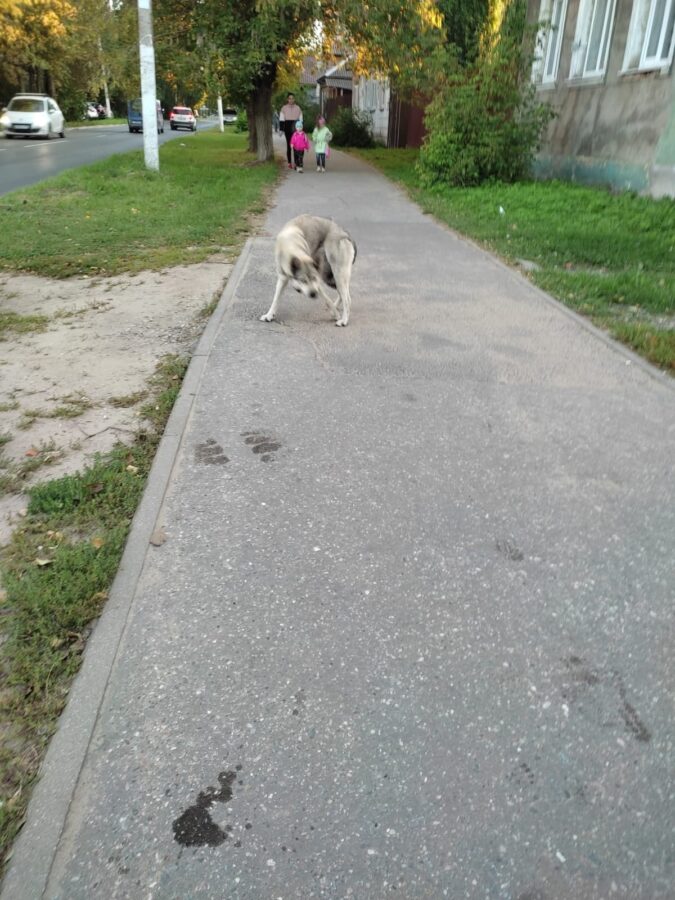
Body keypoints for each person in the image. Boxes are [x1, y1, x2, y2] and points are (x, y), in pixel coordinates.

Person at [280, 92, 302, 169]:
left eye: (292, 98)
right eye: (290, 98)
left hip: (295, 128)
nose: (291, 100)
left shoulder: (298, 108)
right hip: (287, 128)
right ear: (287, 99)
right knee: (289, 146)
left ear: (294, 99)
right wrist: (281, 130)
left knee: (296, 146)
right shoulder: (284, 108)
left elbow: (301, 120)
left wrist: (301, 130)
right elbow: (281, 120)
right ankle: (289, 162)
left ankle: (296, 163)